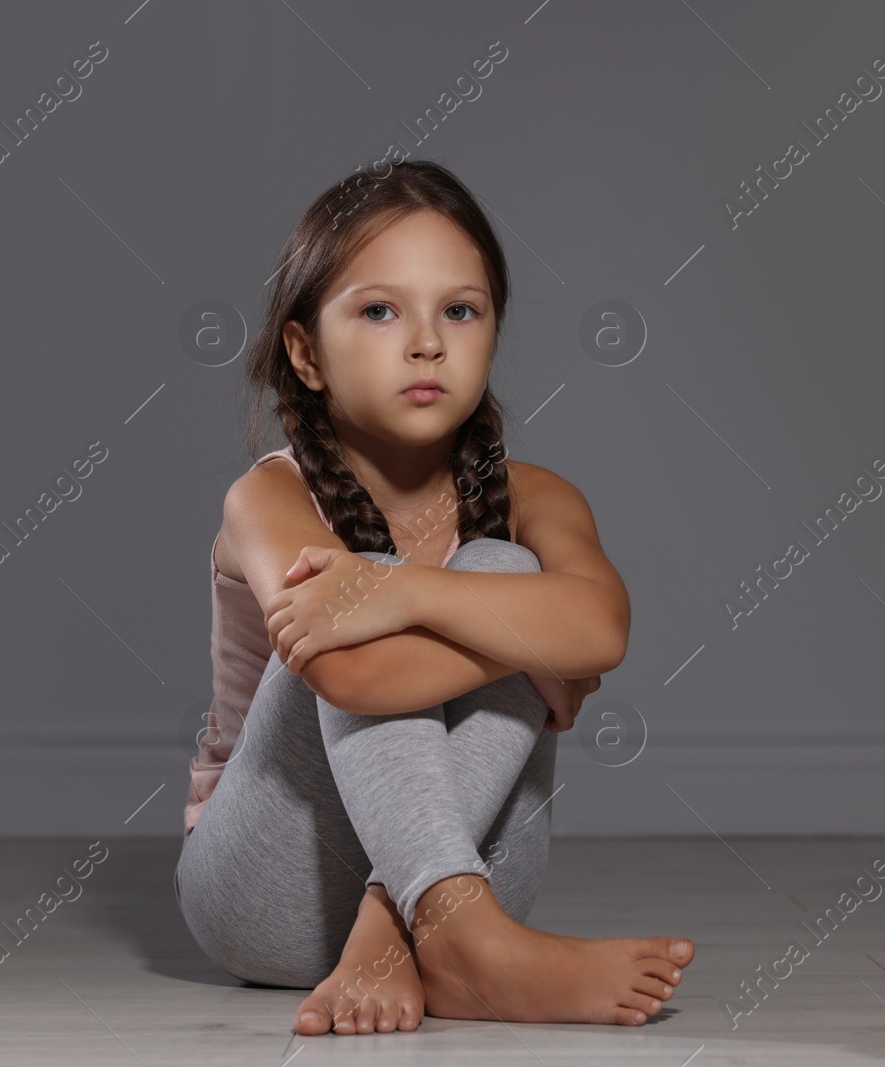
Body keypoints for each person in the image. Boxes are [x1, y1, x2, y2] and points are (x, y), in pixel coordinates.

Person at [173, 159, 695, 1037]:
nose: (427, 342)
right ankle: (444, 928)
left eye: (461, 309)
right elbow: (358, 676)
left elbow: (602, 628)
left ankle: (431, 928)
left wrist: (401, 589)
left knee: (497, 565)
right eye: (379, 310)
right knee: (471, 597)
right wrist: (530, 646)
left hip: (476, 863)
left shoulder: (537, 496)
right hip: (268, 887)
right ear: (305, 352)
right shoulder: (269, 497)